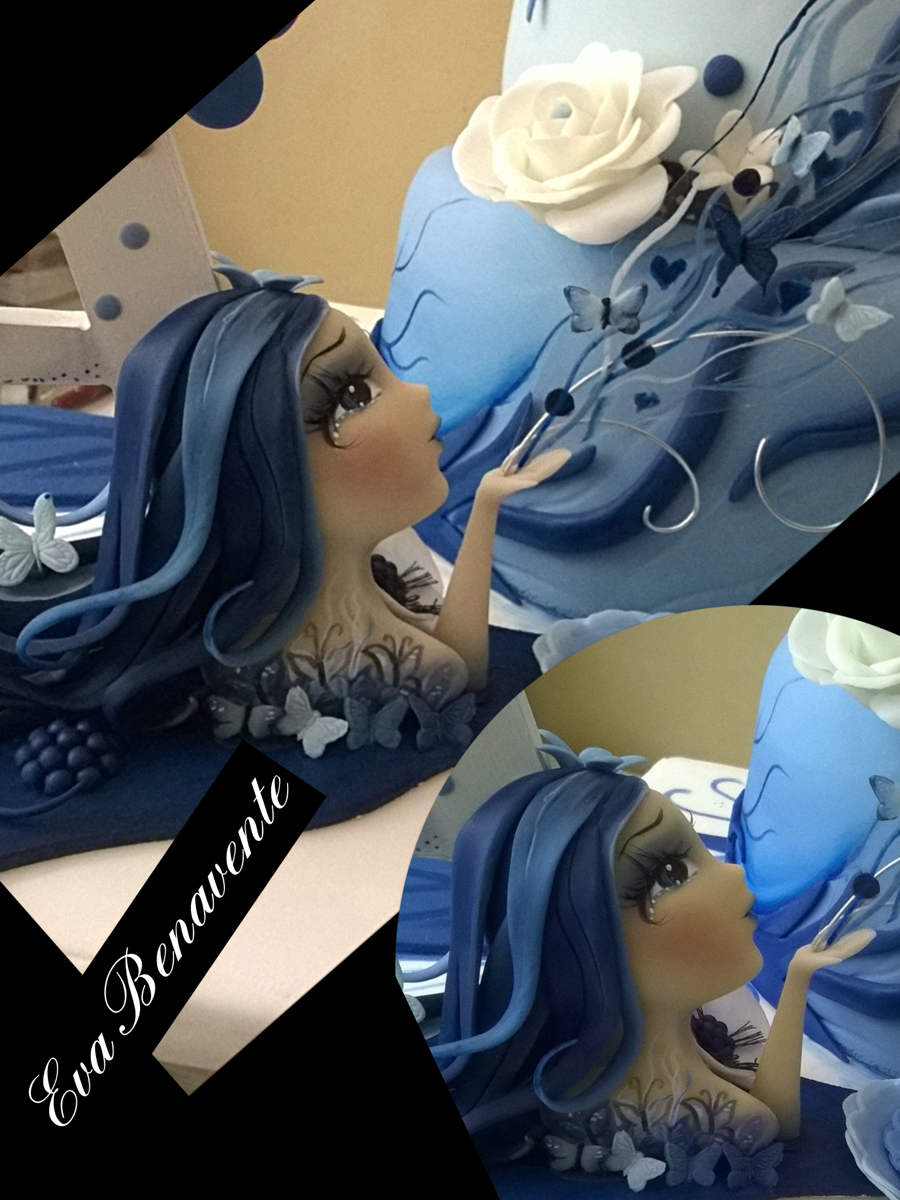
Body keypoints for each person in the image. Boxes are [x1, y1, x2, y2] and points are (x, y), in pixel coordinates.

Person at [0, 273, 567, 745]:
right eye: (352, 395)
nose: (417, 393)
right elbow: (459, 673)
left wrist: (486, 503)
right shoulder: (371, 657)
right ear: (265, 469)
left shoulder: (324, 611)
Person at [427, 738, 873, 1177]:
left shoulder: (667, 1055)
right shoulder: (712, 1115)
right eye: (671, 873)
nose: (734, 871)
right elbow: (774, 1123)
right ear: (585, 943)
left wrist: (798, 976)